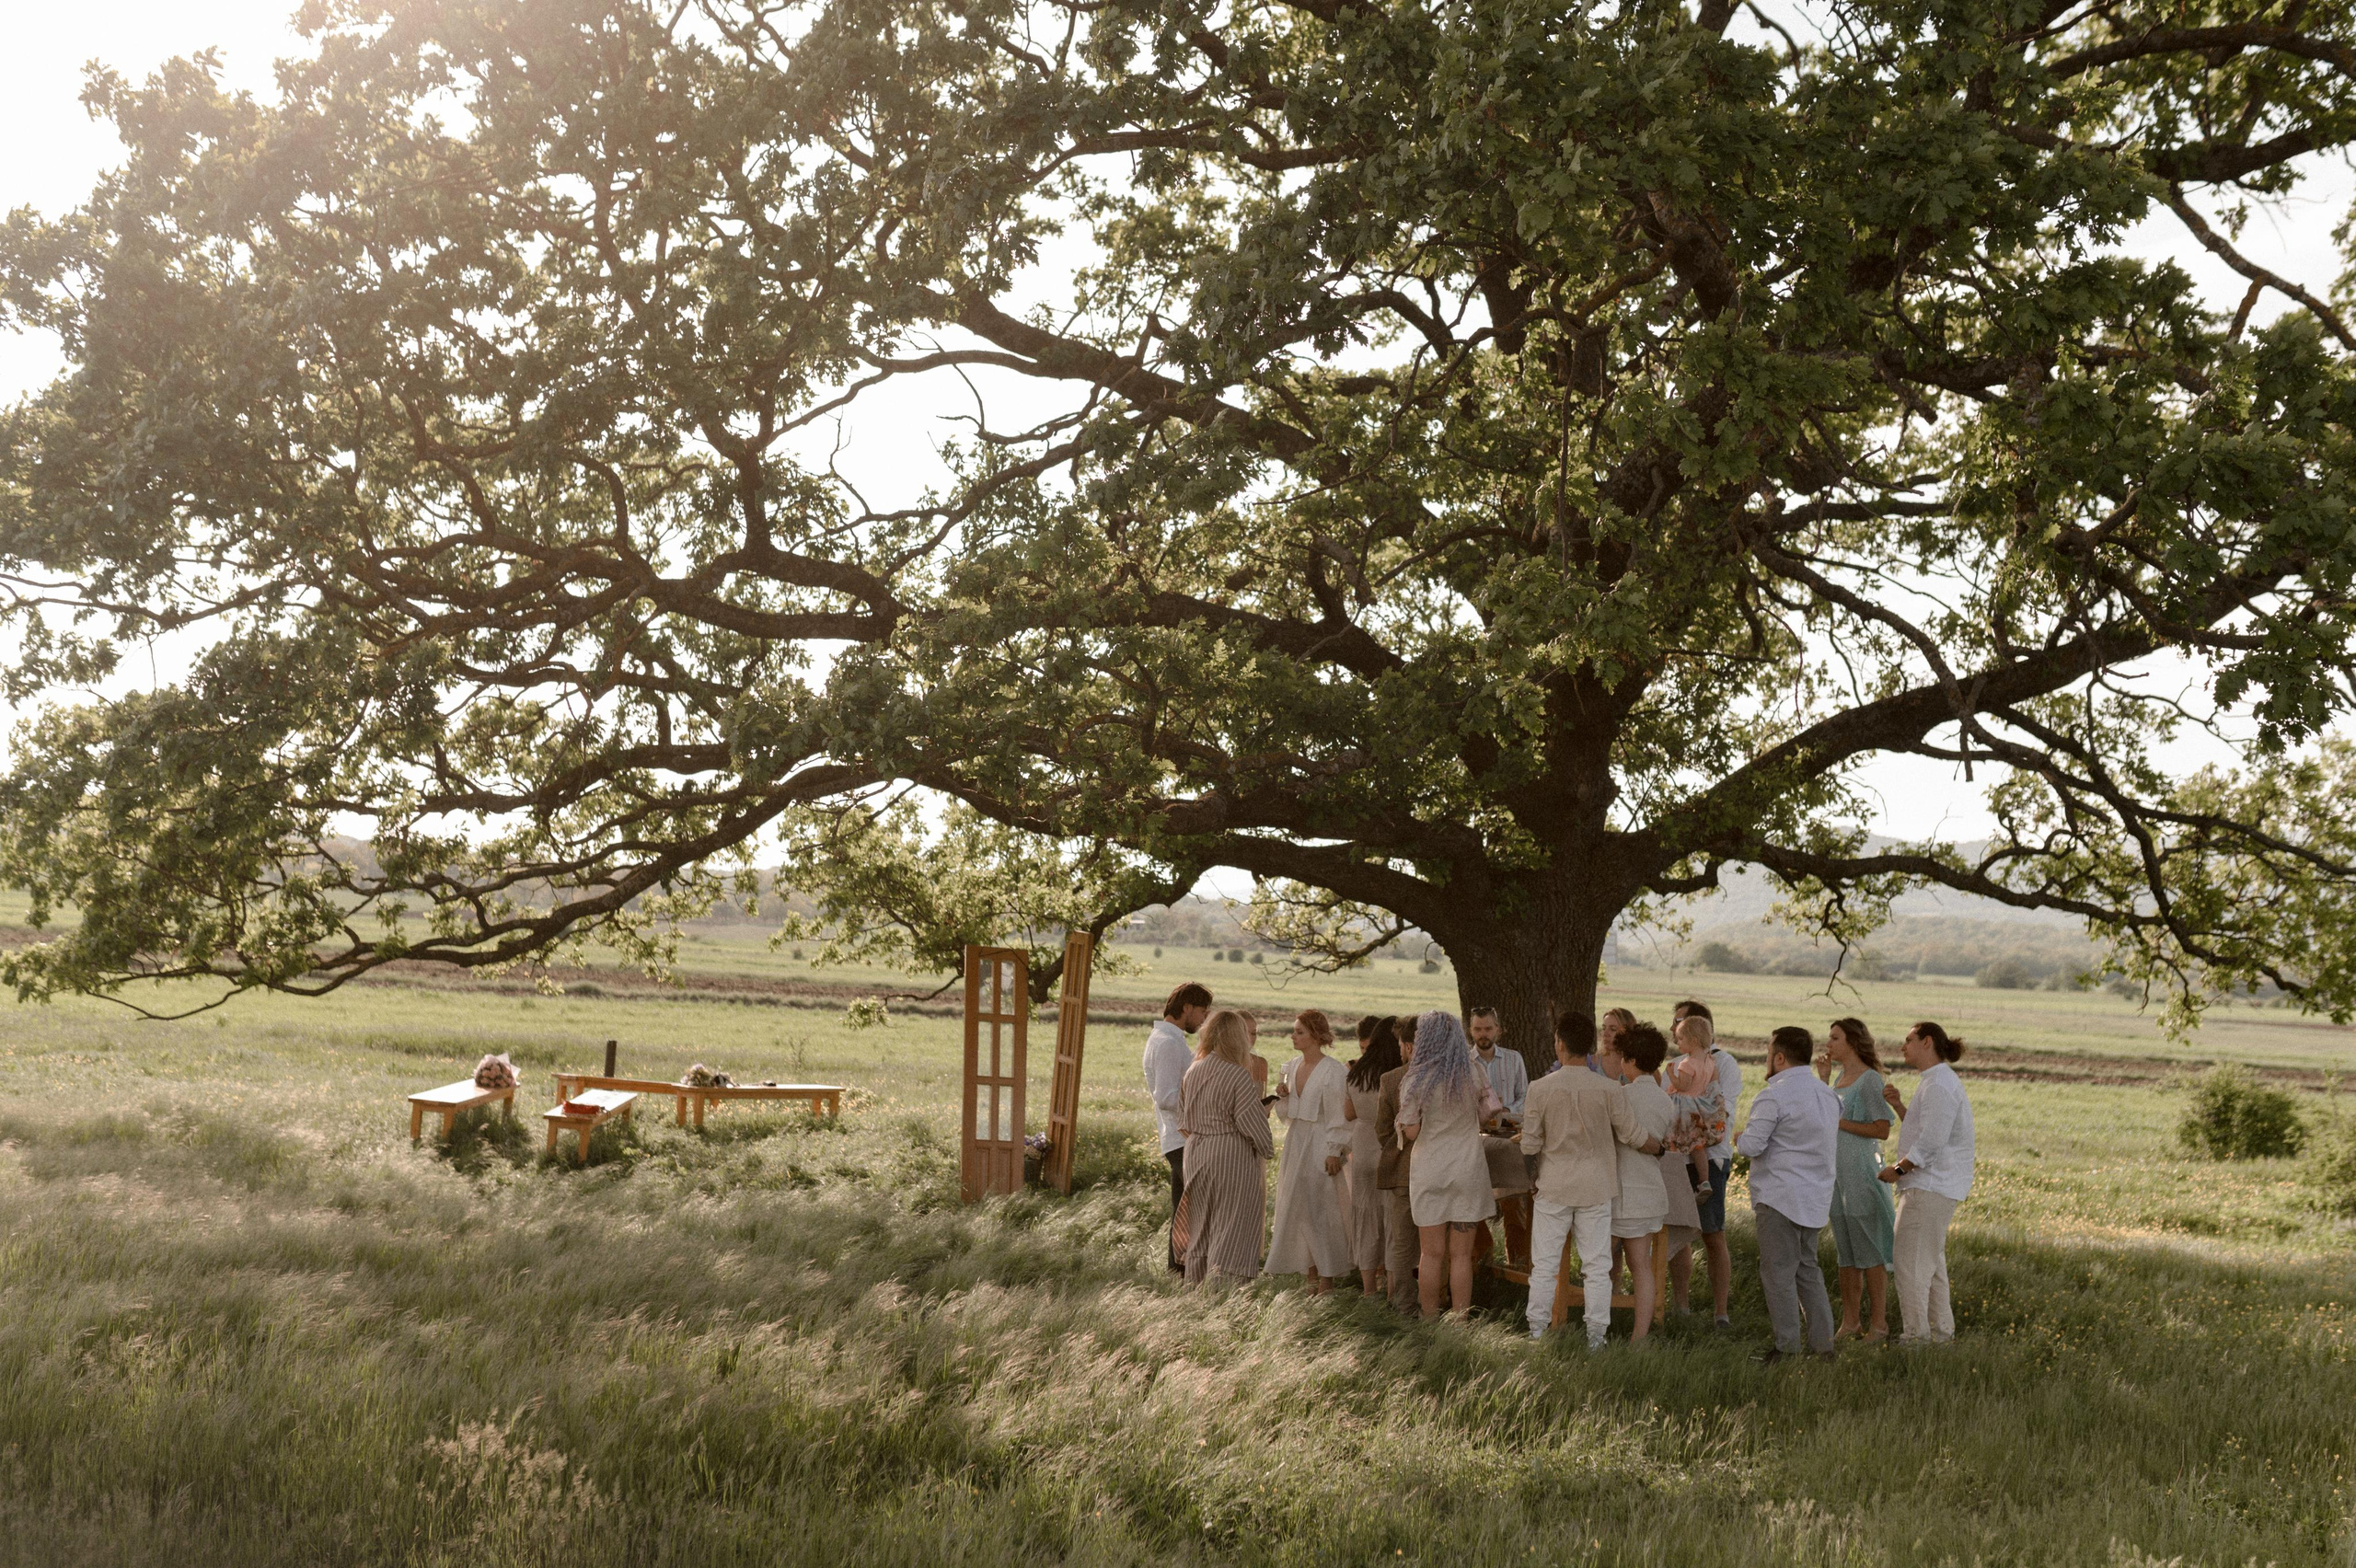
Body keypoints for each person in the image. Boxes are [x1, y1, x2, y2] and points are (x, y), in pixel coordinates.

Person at [1519, 1009, 1646, 1347]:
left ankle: (1536, 1332)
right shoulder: (1609, 1090)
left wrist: (1533, 1180)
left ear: (1559, 1044)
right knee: (1597, 1267)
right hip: (1596, 1186)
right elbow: (1632, 1135)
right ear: (1590, 1048)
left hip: (1553, 1185)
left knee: (1544, 1266)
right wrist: (1658, 1147)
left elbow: (1530, 1144)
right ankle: (1595, 1338)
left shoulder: (1539, 1088)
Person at [1738, 1024, 1842, 1363]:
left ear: (1780, 1057)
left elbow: (1753, 1144)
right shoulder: (1828, 1096)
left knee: (1778, 1273)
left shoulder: (1774, 1095)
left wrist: (1737, 1136)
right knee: (1807, 1270)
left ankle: (1786, 1348)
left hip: (1780, 1195)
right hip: (1815, 1197)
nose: (1767, 1060)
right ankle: (1824, 1345)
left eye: (1769, 1054)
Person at [1396, 1011, 1499, 1318]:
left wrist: (1402, 1125)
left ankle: (1428, 1317)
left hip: (1430, 1169)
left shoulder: (1415, 1078)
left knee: (1431, 1254)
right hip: (1467, 1167)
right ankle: (1461, 1319)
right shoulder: (1474, 1072)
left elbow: (1412, 1132)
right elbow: (1485, 1115)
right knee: (1462, 1256)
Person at [1880, 1021, 1977, 1345]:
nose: (1903, 1046)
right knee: (1932, 1266)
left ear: (1927, 1042)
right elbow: (1927, 1129)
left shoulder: (1939, 1084)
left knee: (1909, 1265)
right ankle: (1940, 1335)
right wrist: (1898, 1106)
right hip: (1933, 1185)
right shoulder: (1935, 1081)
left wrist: (1898, 1169)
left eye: (1908, 1040)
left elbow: (1932, 1141)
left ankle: (1915, 1339)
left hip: (1929, 1186)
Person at [1178, 1009, 1275, 1285]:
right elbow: (1251, 1123)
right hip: (1230, 1154)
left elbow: (1183, 1119)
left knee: (1201, 1227)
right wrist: (1266, 1148)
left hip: (1196, 1151)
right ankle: (1223, 1296)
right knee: (1231, 1226)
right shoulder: (1238, 1075)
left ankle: (1194, 1289)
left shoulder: (1193, 1070)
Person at [1597, 1020, 1676, 1344]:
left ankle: (1598, 1326)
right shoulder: (1666, 1101)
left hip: (1616, 1192)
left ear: (1628, 1060)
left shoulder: (1619, 1096)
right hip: (1648, 1193)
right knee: (1640, 1265)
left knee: (1601, 1261)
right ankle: (1639, 1336)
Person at [1266, 1009, 1354, 1293]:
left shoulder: (1333, 1071)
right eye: (1294, 1031)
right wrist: (1285, 1097)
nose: (1293, 1036)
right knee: (1299, 1208)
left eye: (1300, 1032)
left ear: (1317, 1036)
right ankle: (1310, 1277)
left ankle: (1327, 1279)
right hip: (1297, 1141)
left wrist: (1334, 1151)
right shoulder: (1291, 1066)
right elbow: (1289, 1115)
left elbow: (1337, 1115)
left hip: (1320, 1141)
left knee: (1321, 1210)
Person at [1819, 1016, 1896, 1343]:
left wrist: (1841, 1124)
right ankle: (1850, 1321)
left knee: (1870, 1250)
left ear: (1851, 1041)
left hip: (1862, 1171)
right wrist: (1822, 1081)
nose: (1829, 1043)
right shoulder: (1838, 1077)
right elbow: (1825, 1115)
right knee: (1846, 1253)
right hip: (1837, 1174)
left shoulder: (1869, 1080)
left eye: (1834, 1038)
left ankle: (1878, 1323)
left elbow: (1883, 1129)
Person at [1666, 1000, 1740, 1329]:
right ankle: (1680, 1306)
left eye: (1681, 1023)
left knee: (1713, 1233)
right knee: (1678, 1231)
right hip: (1677, 1154)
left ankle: (1720, 1311)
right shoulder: (1681, 1061)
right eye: (1675, 1023)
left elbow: (1719, 1108)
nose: (1674, 1029)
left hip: (1709, 1155)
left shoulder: (1723, 1063)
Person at [1146, 982, 1212, 1272]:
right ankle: (1186, 1272)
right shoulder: (1168, 1042)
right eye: (1202, 1012)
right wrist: (1204, 1106)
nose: (1204, 1020)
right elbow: (1166, 1097)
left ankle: (1178, 1272)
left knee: (1182, 1209)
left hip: (1179, 1136)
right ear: (1186, 1008)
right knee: (1192, 1209)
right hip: (1181, 1137)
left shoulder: (1168, 1038)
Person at [1343, 1016, 1403, 1298]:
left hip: (1362, 1147)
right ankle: (1392, 1289)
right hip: (1388, 1146)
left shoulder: (1356, 1073)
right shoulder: (1396, 1075)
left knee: (1365, 1220)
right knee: (1392, 1222)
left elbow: (1348, 1113)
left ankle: (1368, 1289)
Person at [1374, 1016, 1424, 1313]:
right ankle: (1436, 1300)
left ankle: (1405, 1304)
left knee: (1402, 1244)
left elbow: (1381, 1130)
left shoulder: (1391, 1079)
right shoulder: (1446, 1078)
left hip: (1402, 1170)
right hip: (1436, 1170)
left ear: (1407, 1046)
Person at [1469, 1006, 1529, 1114]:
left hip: (1509, 1128)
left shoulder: (1514, 1059)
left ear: (1498, 1030)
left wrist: (1507, 1110)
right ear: (1471, 1031)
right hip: (1473, 1128)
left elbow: (1524, 1096)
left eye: (1488, 1029)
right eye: (1477, 1029)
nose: (1483, 1034)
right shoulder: (1464, 1062)